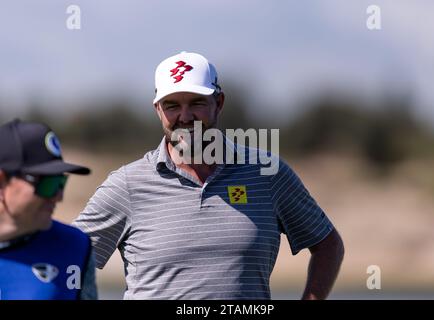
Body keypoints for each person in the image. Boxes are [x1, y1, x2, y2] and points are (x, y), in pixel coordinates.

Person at [73, 51, 344, 300]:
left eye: (197, 103)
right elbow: (68, 258)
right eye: (171, 105)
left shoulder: (267, 173)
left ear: (219, 103)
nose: (185, 116)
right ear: (157, 109)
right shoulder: (127, 185)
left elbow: (327, 245)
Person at [0, 119, 97, 300]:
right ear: (2, 181)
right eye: (47, 183)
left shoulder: (76, 247)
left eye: (61, 182)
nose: (58, 196)